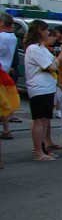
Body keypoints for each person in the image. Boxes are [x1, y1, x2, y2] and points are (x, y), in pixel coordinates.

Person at [23, 20, 59, 161]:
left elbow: (53, 63)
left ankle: (43, 148)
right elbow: (53, 66)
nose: (48, 33)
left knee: (44, 120)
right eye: (45, 30)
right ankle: (38, 152)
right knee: (39, 120)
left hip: (48, 87)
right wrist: (56, 62)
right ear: (39, 31)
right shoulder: (33, 48)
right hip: (39, 88)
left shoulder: (42, 48)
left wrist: (54, 63)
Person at [0, 13, 17, 141]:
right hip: (5, 71)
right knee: (3, 102)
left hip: (1, 71)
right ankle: (6, 129)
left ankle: (6, 129)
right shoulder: (12, 37)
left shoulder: (2, 37)